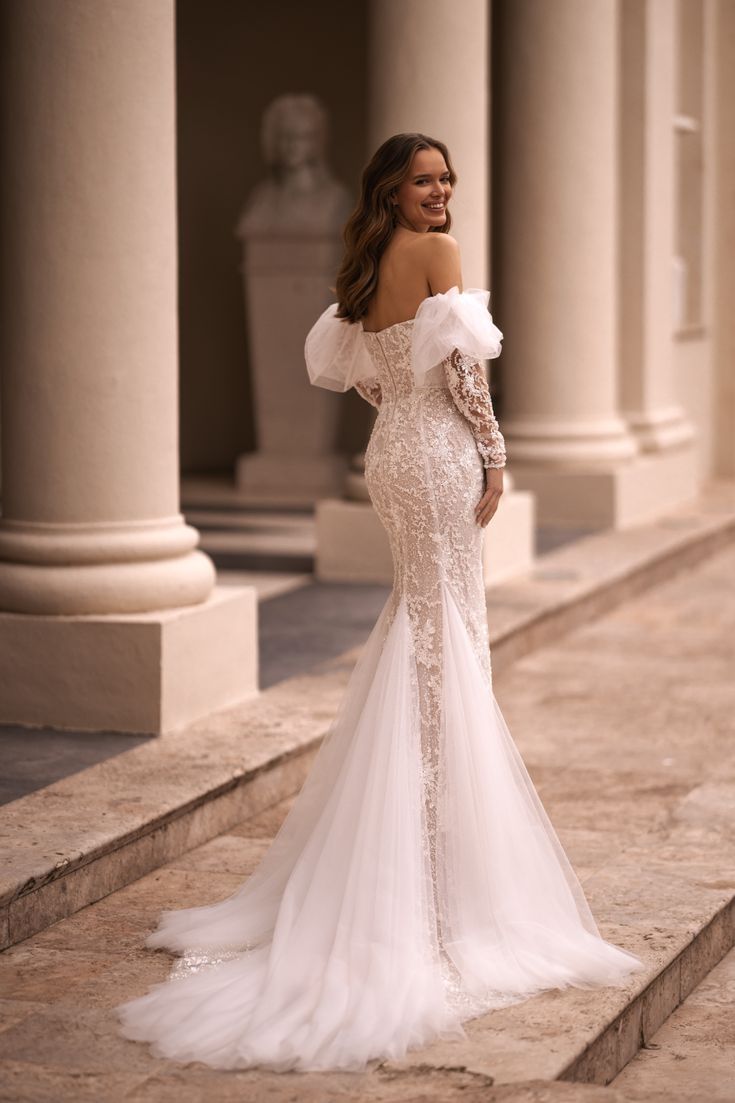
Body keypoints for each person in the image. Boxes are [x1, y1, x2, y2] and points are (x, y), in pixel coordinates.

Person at [116, 133, 645, 1073]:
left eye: (446, 179)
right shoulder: (437, 255)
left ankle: (420, 833)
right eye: (423, 180)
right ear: (393, 191)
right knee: (446, 635)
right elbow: (466, 377)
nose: (440, 193)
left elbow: (358, 365)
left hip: (393, 454)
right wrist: (494, 454)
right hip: (438, 455)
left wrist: (405, 412)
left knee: (421, 626)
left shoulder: (366, 263)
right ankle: (437, 864)